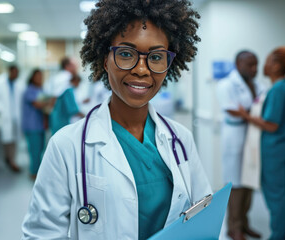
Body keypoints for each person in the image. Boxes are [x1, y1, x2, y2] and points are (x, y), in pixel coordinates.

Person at [21, 0, 212, 239]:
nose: (142, 69)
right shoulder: (66, 146)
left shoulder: (181, 139)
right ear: (104, 60)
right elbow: (42, 234)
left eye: (156, 57)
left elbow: (202, 216)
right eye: (125, 53)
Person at [237, 47, 285, 240]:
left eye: (266, 62)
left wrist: (245, 115)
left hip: (274, 150)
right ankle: (282, 233)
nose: (263, 66)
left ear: (276, 66)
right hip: (281, 149)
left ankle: (278, 235)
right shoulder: (284, 86)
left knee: (276, 196)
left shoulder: (278, 89)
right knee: (282, 193)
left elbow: (271, 125)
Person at [216, 51, 262, 240]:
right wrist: (252, 112)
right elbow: (233, 110)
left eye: (256, 64)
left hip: (252, 136)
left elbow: (261, 106)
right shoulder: (225, 84)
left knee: (249, 180)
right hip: (235, 136)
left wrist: (248, 112)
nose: (254, 69)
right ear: (238, 63)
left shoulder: (257, 84)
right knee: (235, 183)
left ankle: (244, 224)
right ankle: (233, 228)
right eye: (250, 64)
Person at [0, 65, 24, 172]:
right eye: (15, 72)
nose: (16, 75)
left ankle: (13, 161)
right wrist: (1, 110)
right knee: (7, 139)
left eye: (17, 73)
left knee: (15, 140)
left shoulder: (19, 83)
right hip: (5, 116)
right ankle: (8, 159)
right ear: (10, 71)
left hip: (17, 116)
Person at [21, 69, 48, 180]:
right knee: (35, 151)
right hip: (32, 126)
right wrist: (52, 101)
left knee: (40, 150)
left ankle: (38, 172)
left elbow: (44, 106)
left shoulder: (41, 89)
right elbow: (38, 104)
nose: (40, 78)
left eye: (41, 76)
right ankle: (33, 173)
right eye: (37, 76)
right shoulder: (29, 90)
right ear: (32, 77)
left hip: (40, 125)